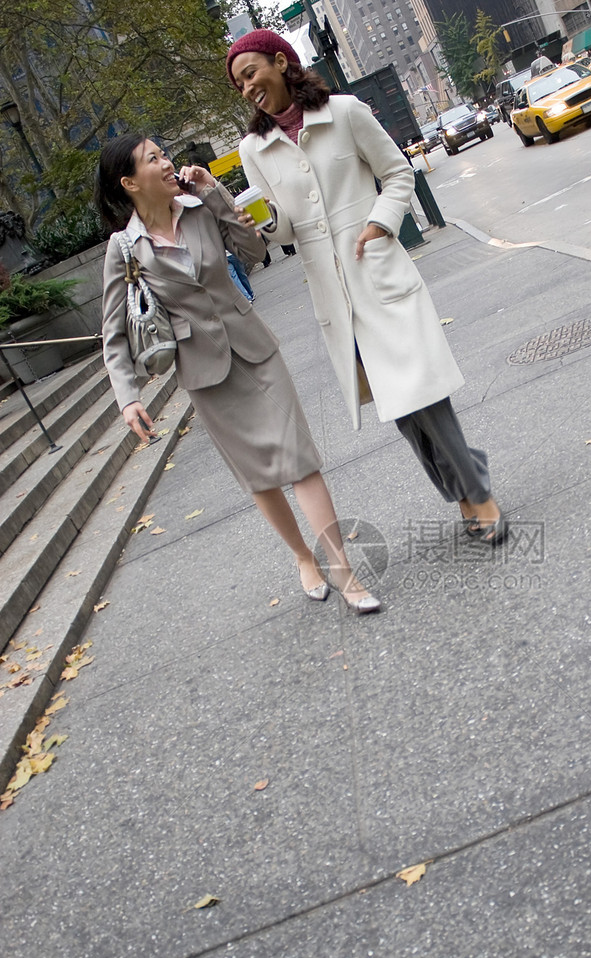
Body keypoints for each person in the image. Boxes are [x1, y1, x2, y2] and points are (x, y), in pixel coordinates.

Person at [226, 31, 507, 545]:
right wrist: (257, 228)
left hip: (378, 274)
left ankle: (478, 492)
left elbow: (398, 174)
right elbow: (284, 230)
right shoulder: (253, 150)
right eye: (239, 84)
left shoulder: (346, 112)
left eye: (251, 74)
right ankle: (463, 490)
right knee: (400, 409)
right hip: (335, 298)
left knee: (424, 393)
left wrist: (380, 223)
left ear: (281, 61)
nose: (247, 89)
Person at [95, 133, 380, 612]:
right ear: (129, 182)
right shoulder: (124, 248)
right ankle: (301, 557)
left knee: (300, 460)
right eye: (153, 159)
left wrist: (215, 193)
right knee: (260, 476)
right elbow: (114, 332)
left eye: (164, 155)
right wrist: (128, 396)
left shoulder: (199, 206)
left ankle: (344, 569)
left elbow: (250, 251)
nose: (167, 163)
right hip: (204, 373)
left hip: (254, 349)